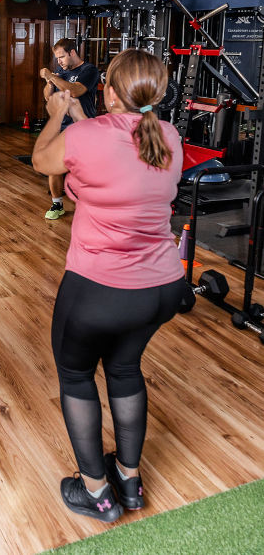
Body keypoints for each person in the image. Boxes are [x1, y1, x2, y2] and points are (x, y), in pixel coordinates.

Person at [32, 48, 185, 523]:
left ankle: (97, 493)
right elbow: (118, 151)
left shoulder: (85, 137)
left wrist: (58, 115)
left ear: (110, 89)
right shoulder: (169, 135)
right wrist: (80, 116)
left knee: (76, 376)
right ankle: (130, 482)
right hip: (162, 287)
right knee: (124, 369)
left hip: (100, 289)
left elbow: (43, 162)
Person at [39, 38, 99, 220]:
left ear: (72, 53)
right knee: (54, 168)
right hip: (62, 126)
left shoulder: (89, 70)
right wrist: (50, 82)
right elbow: (47, 97)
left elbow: (75, 91)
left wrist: (52, 77)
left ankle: (90, 206)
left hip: (82, 127)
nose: (59, 62)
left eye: (62, 57)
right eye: (57, 58)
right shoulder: (60, 71)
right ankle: (57, 203)